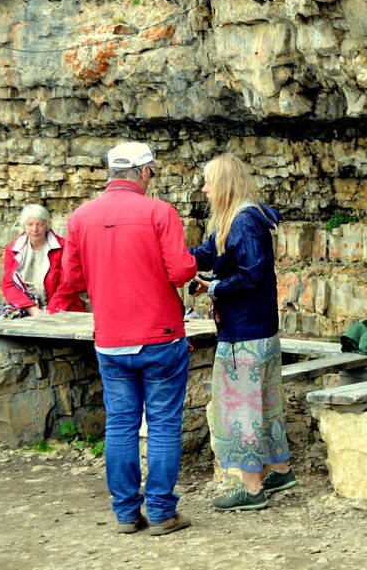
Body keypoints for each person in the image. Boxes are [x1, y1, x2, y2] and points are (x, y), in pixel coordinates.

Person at [48, 142, 196, 536]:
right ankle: (161, 512)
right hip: (161, 334)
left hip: (111, 338)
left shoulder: (80, 217)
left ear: (112, 172)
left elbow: (72, 279)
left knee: (120, 425)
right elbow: (181, 271)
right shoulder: (158, 211)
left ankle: (127, 513)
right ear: (144, 172)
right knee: (163, 423)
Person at [190, 153, 295, 511]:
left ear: (223, 185)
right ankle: (280, 470)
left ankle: (252, 489)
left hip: (244, 334)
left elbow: (252, 275)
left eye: (209, 182)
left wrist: (214, 288)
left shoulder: (243, 222)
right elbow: (206, 254)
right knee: (266, 403)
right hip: (259, 328)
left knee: (242, 409)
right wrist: (170, 253)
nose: (205, 190)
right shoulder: (237, 218)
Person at [0, 204, 84, 322]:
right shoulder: (13, 249)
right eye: (30, 224)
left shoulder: (63, 247)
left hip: (57, 306)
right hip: (26, 305)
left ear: (47, 225)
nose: (35, 229)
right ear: (24, 226)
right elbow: (8, 284)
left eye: (39, 224)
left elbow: (67, 284)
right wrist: (31, 309)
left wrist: (49, 312)